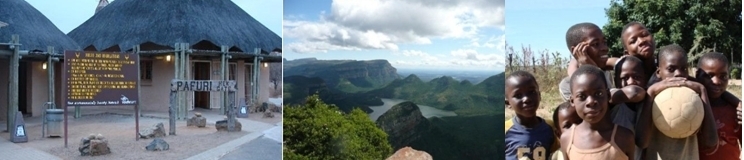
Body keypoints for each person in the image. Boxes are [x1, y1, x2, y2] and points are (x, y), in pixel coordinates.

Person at [637, 44, 718, 160]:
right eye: (671, 69)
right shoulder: (651, 98)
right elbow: (641, 142)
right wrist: (650, 93)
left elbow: (711, 141)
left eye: (684, 69)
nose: (678, 74)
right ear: (659, 72)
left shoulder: (694, 99)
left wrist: (702, 91)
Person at [560, 65, 635, 159]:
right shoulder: (567, 139)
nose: (591, 102)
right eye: (582, 96)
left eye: (598, 94)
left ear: (608, 95)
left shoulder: (624, 137)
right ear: (572, 101)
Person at [695, 52, 742, 159]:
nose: (716, 82)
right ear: (697, 75)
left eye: (723, 76)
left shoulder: (735, 111)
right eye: (709, 76)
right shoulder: (691, 107)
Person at [505, 71, 559, 160]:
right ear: (508, 103)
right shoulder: (505, 131)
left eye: (532, 92)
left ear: (539, 95)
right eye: (518, 95)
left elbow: (556, 155)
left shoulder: (551, 127)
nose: (527, 99)